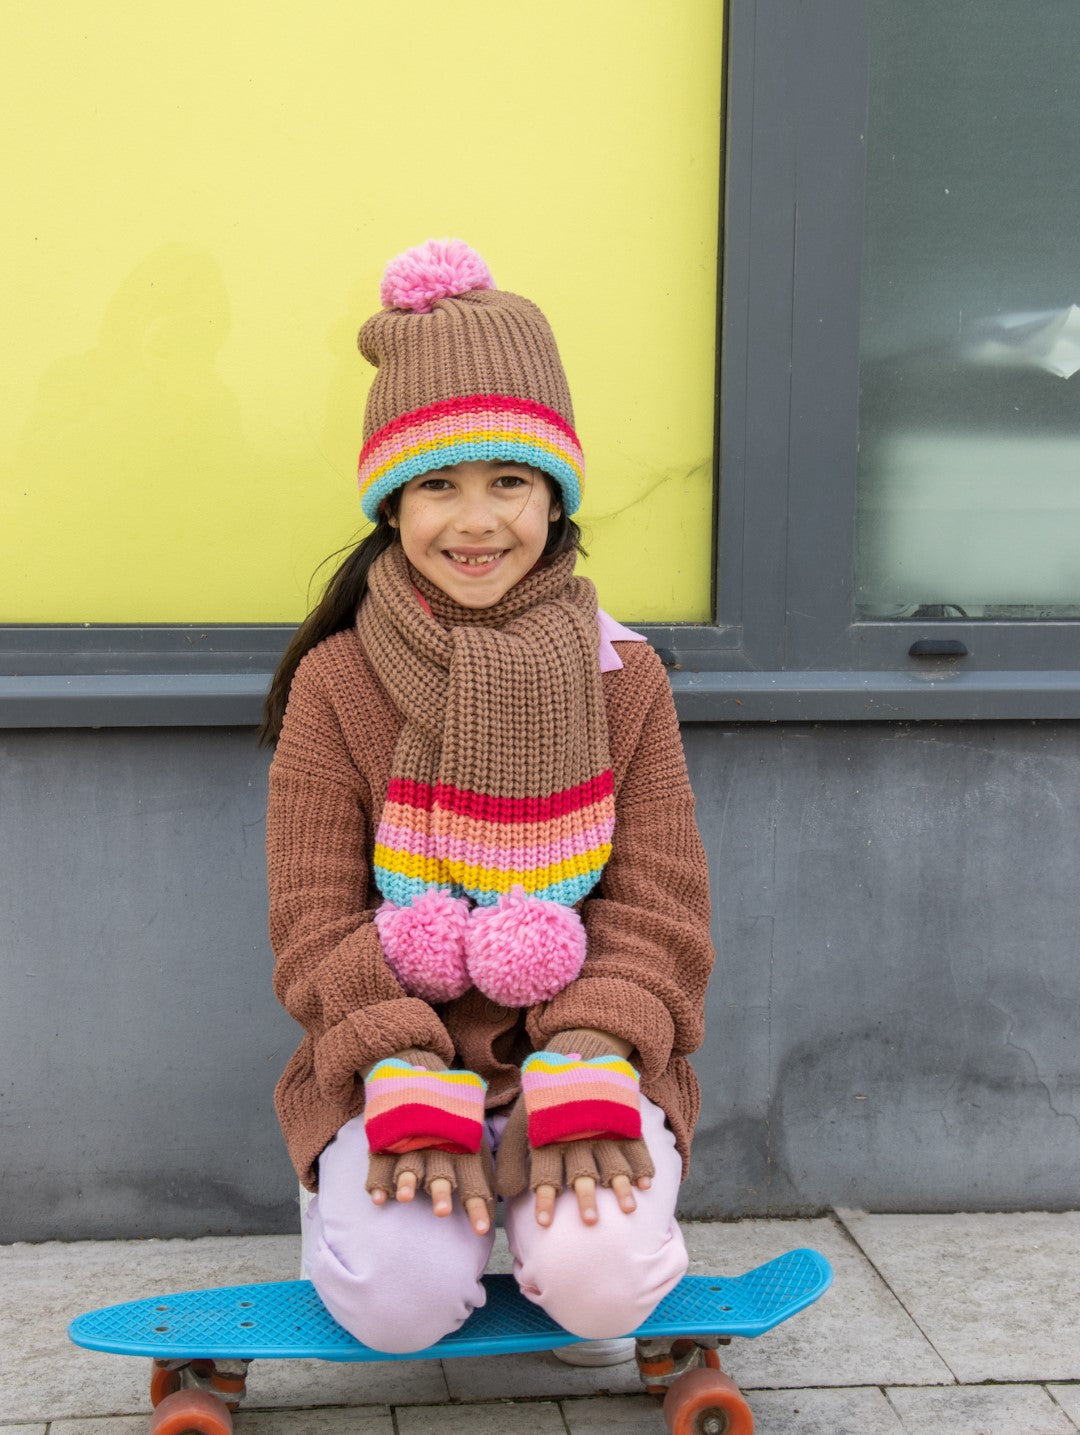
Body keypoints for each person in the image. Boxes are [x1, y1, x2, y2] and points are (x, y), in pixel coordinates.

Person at [260, 238, 714, 1357]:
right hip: (395, 1050)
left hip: (584, 1049)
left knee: (603, 1292)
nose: (476, 521)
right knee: (399, 1306)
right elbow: (314, 920)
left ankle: (563, 1214)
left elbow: (656, 905)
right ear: (392, 504)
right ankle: (376, 1216)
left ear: (553, 495)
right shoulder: (338, 681)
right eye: (437, 485)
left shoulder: (625, 676)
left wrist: (596, 1053)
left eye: (508, 480)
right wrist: (401, 1066)